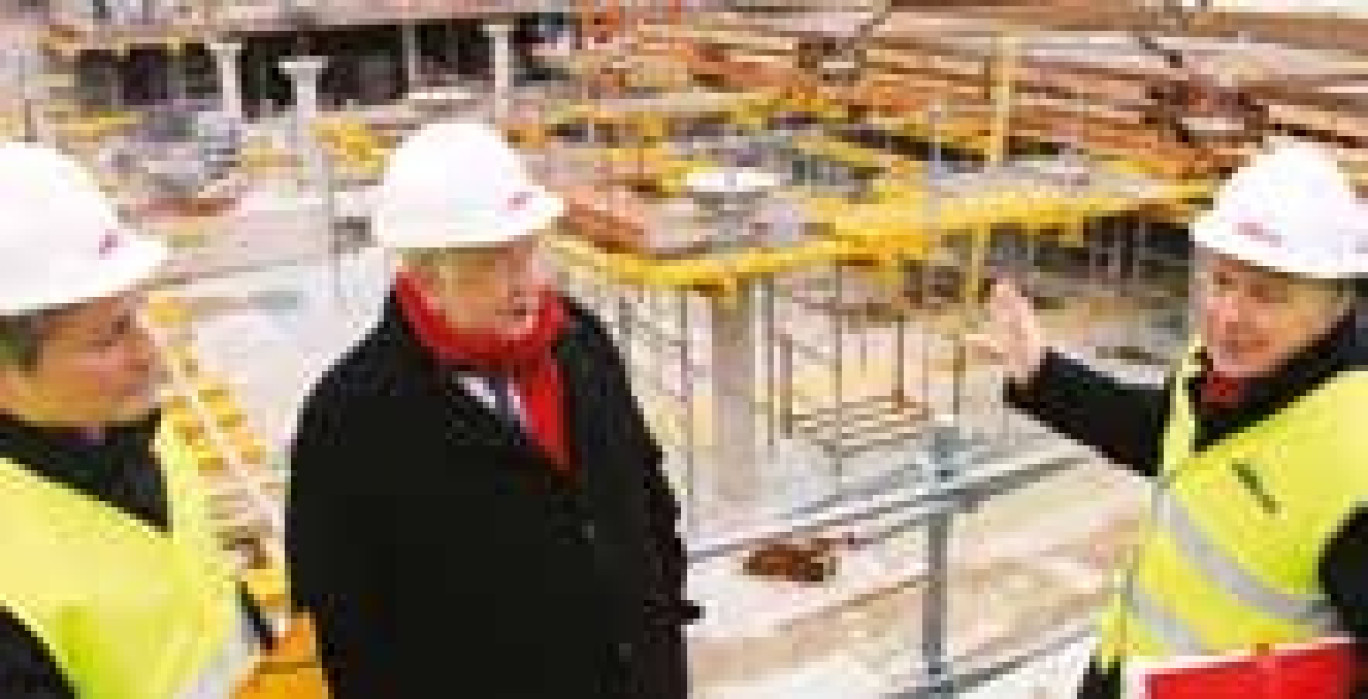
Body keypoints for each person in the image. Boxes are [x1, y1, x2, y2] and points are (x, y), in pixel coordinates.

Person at [287, 121, 697, 699]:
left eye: (530, 251)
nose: (527, 282)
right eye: (493, 261)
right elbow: (345, 636)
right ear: (426, 274)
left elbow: (645, 489)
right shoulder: (352, 421)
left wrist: (658, 611)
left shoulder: (579, 341)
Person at [979, 139, 1368, 697]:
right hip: (1129, 673)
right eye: (1223, 281)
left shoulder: (1355, 460)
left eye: (1268, 295)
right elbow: (1167, 434)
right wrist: (1043, 376)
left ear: (1338, 305)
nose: (1229, 316)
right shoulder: (1225, 369)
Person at [0, 142, 267, 697]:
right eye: (109, 336)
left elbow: (206, 596)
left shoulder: (140, 431)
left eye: (136, 315)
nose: (149, 350)